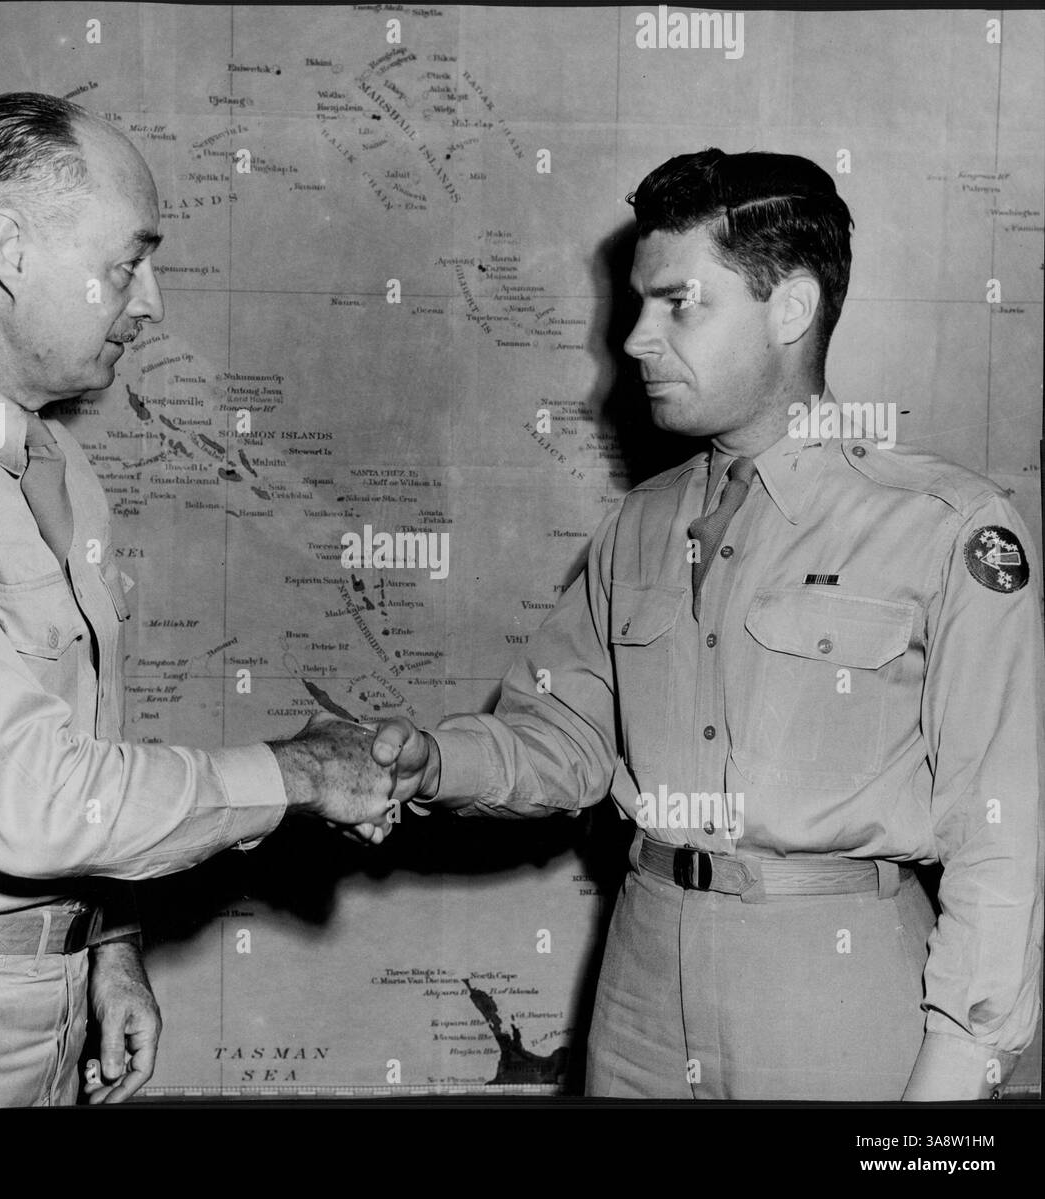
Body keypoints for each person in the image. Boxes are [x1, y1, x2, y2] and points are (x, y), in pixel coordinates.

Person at [0, 92, 395, 1108]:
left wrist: (110, 944)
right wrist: (303, 771)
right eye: (129, 261)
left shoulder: (44, 458)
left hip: (32, 989)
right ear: (10, 250)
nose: (151, 305)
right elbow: (35, 799)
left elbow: (74, 737)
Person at [373, 148, 1044, 1100]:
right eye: (639, 304)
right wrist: (433, 763)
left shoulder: (946, 528)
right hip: (640, 980)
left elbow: (1003, 828)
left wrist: (953, 1080)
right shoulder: (639, 524)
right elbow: (565, 736)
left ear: (791, 310)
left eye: (678, 302)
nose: (637, 340)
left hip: (835, 986)